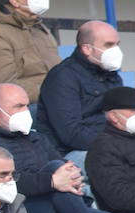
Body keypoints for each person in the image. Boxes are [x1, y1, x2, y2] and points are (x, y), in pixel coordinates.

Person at [0, 82, 119, 213]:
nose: (26, 111)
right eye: (19, 106)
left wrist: (71, 176)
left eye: (27, 106)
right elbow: (0, 184)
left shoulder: (37, 138)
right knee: (55, 167)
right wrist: (52, 181)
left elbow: (65, 166)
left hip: (68, 210)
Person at [39, 21, 125, 157]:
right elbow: (71, 133)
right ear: (86, 49)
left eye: (117, 44)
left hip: (108, 144)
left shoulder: (112, 75)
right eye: (109, 45)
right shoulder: (62, 76)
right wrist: (115, 145)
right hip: (71, 153)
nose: (116, 50)